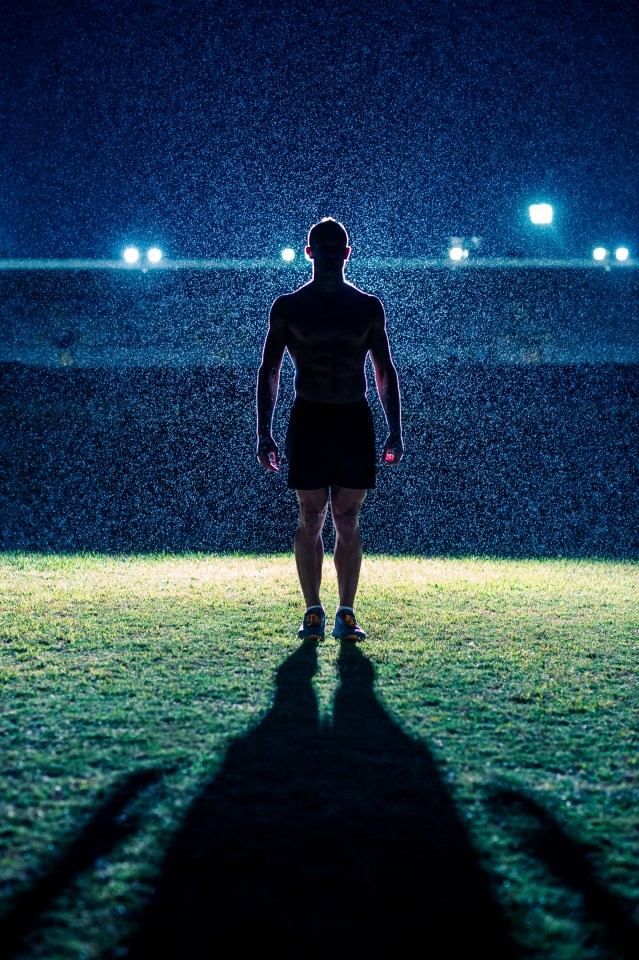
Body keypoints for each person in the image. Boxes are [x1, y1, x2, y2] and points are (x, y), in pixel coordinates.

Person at [256, 217, 403, 641]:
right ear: (308, 252)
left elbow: (384, 371)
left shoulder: (367, 306)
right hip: (310, 417)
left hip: (353, 417)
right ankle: (313, 612)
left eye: (331, 247)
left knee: (347, 516)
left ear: (346, 253)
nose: (324, 253)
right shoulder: (288, 306)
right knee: (311, 514)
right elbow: (270, 371)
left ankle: (346, 612)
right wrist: (264, 431)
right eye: (318, 246)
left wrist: (396, 429)